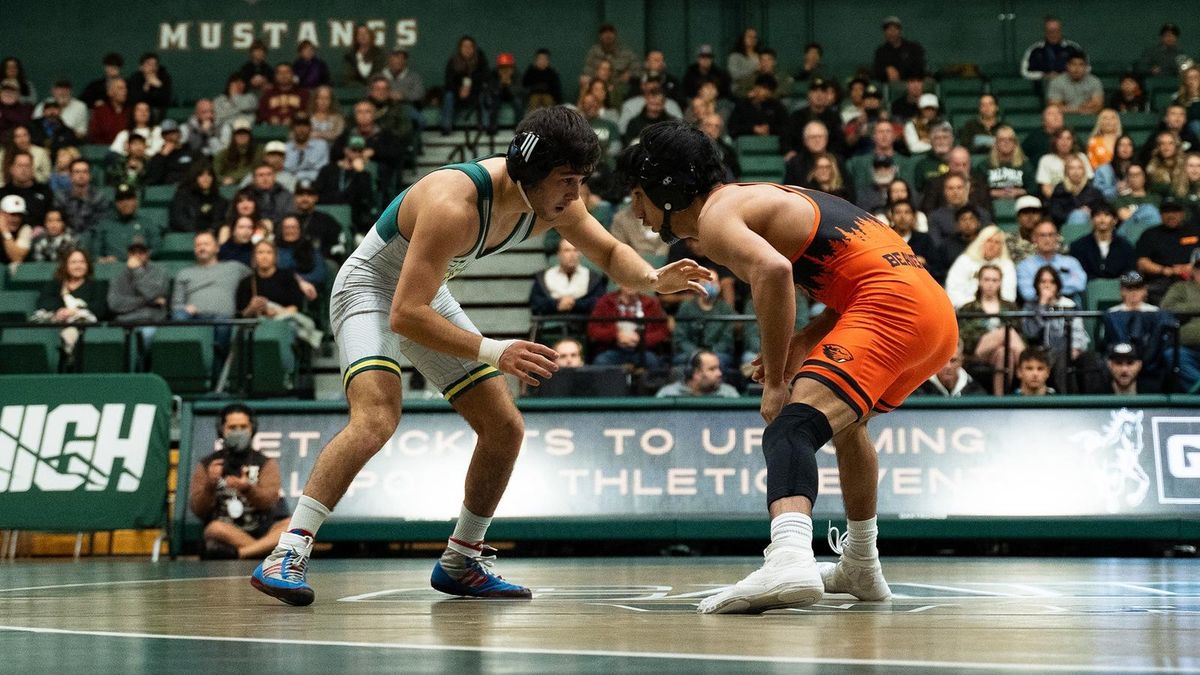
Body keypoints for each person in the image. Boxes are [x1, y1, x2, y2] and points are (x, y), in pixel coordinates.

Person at [250, 107, 708, 606]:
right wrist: (494, 350)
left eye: (581, 180)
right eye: (567, 181)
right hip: (372, 291)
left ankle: (461, 559)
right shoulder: (454, 202)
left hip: (426, 291)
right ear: (526, 171)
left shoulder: (552, 199)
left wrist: (653, 279)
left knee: (504, 426)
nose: (576, 196)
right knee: (377, 417)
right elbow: (404, 315)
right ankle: (287, 551)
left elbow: (612, 254)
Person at [617, 120, 958, 613]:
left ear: (667, 190)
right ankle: (861, 561)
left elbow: (772, 272)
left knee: (788, 429)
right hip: (931, 315)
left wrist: (776, 381)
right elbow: (857, 277)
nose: (637, 213)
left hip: (892, 307)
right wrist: (802, 340)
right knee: (847, 424)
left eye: (638, 197)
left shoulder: (718, 217)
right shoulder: (756, 197)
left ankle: (790, 556)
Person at [189, 404, 291, 560]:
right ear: (222, 430)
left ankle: (244, 553)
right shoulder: (207, 465)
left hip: (263, 530)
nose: (238, 432)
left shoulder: (266, 463)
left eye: (243, 427)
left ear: (252, 429)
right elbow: (198, 510)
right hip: (228, 532)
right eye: (232, 427)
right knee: (214, 529)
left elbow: (269, 501)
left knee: (292, 525)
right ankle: (265, 553)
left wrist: (248, 489)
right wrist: (210, 485)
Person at [957, 263, 1025, 395]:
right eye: (986, 279)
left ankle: (1000, 399)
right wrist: (995, 336)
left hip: (1003, 353)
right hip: (976, 352)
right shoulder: (968, 308)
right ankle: (1026, 365)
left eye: (994, 280)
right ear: (980, 282)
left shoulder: (1010, 307)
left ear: (1000, 283)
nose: (990, 284)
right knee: (1007, 332)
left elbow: (1021, 334)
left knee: (1004, 353)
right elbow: (964, 338)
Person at [1022, 265, 1090, 392]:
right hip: (1037, 351)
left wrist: (1075, 347)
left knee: (1063, 353)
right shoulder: (1030, 305)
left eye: (1052, 282)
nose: (1047, 285)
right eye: (1043, 281)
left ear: (1057, 285)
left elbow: (1078, 330)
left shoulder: (1068, 304)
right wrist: (1042, 305)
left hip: (1064, 351)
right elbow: (1031, 333)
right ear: (1037, 284)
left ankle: (1064, 400)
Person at [588, 282, 670, 369]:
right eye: (626, 281)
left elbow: (662, 331)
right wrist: (616, 335)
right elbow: (593, 329)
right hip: (613, 348)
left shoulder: (651, 303)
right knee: (601, 361)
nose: (630, 285)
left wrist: (640, 339)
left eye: (634, 281)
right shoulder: (605, 301)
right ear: (618, 283)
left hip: (643, 350)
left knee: (652, 361)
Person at [1135, 197, 1200, 304]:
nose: (1171, 215)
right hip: (1161, 281)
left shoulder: (1195, 231)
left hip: (1193, 279)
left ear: (1182, 213)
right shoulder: (1150, 234)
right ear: (1160, 214)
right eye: (1166, 211)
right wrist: (1166, 270)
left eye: (1175, 211)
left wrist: (1192, 268)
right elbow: (1142, 262)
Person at [672, 269, 738, 370]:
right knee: (680, 363)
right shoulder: (686, 307)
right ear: (697, 285)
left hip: (717, 354)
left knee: (722, 361)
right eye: (705, 282)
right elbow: (680, 338)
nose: (709, 285)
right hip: (690, 354)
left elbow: (727, 340)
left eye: (713, 282)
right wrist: (697, 354)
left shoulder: (725, 308)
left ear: (719, 286)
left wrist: (709, 355)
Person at [83, 183, 163, 263]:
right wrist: (103, 260)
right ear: (116, 203)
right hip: (112, 271)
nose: (125, 203)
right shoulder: (104, 226)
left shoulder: (147, 223)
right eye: (121, 199)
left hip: (141, 269)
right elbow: (95, 254)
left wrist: (144, 256)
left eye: (129, 198)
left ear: (135, 201)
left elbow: (156, 248)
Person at [530, 238, 605, 320]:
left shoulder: (593, 278)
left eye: (575, 250)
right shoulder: (544, 277)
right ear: (559, 254)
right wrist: (557, 304)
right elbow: (536, 303)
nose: (572, 255)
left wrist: (574, 304)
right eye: (567, 250)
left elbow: (599, 303)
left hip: (582, 326)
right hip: (551, 324)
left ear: (580, 254)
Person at [1016, 218, 1088, 302]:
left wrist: (1047, 287)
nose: (1047, 239)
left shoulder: (1071, 262)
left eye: (1051, 235)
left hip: (1068, 310)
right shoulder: (1025, 266)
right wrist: (1063, 283)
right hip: (1037, 310)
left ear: (1057, 237)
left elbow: (1080, 284)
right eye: (1042, 235)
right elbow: (1027, 293)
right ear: (1034, 238)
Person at [945, 225, 1017, 307]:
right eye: (989, 241)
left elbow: (1009, 295)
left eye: (997, 242)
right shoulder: (964, 261)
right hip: (966, 312)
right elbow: (953, 291)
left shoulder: (1007, 265)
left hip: (998, 312)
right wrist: (973, 307)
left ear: (1001, 246)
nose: (992, 245)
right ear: (981, 241)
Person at [1067, 201, 1137, 279]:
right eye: (1098, 215)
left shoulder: (1126, 247)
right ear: (1091, 220)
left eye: (1107, 215)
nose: (1102, 219)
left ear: (1115, 220)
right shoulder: (1078, 246)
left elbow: (1130, 272)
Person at [1160, 257, 1200, 392]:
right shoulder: (1181, 287)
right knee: (1172, 355)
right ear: (1193, 270)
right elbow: (1167, 308)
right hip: (1188, 350)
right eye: (1199, 268)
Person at [107, 240, 168, 323]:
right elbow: (114, 304)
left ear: (148, 254)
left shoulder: (159, 272)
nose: (137, 256)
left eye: (141, 252)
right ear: (128, 255)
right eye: (133, 252)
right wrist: (147, 301)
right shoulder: (119, 274)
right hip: (124, 320)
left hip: (151, 320)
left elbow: (153, 293)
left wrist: (137, 270)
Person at [441, 35, 489, 134]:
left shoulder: (480, 61)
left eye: (470, 46)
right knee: (448, 96)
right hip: (458, 94)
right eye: (464, 46)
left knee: (485, 94)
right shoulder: (453, 61)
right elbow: (448, 82)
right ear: (460, 48)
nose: (467, 49)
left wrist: (470, 87)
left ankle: (485, 126)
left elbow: (485, 78)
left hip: (475, 93)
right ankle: (446, 127)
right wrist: (459, 89)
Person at [976, 125, 1038, 203]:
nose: (1006, 142)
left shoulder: (1025, 164)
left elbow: (1034, 188)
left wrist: (1020, 192)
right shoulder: (984, 165)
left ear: (1015, 143)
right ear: (996, 143)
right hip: (991, 205)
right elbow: (977, 190)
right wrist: (993, 193)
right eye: (1002, 139)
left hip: (1019, 203)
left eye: (1010, 139)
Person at [1020, 16, 1084, 89]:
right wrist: (1044, 75)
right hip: (1044, 86)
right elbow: (1024, 72)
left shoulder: (1073, 48)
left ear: (1061, 31)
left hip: (1071, 86)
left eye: (1056, 31)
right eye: (1050, 31)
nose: (1053, 34)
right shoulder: (1035, 50)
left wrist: (1065, 76)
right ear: (1045, 32)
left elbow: (1087, 68)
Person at [54, 158, 111, 236]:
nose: (81, 175)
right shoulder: (61, 197)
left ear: (90, 175)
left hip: (92, 238)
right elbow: (58, 222)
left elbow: (101, 224)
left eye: (85, 172)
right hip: (66, 238)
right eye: (77, 172)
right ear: (70, 176)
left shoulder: (99, 197)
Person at [1048, 155, 1106, 226]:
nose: (1076, 172)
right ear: (1066, 171)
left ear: (1084, 171)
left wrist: (1090, 214)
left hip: (1091, 226)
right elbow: (1055, 214)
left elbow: (1102, 211)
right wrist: (1078, 212)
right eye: (1072, 168)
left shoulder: (1093, 191)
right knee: (1078, 215)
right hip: (1065, 227)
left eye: (1079, 168)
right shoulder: (1060, 189)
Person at [913, 341, 987, 396]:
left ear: (961, 362)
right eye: (943, 360)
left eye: (953, 361)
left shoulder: (975, 391)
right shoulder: (918, 390)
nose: (948, 366)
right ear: (934, 361)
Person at [656, 349, 739, 398]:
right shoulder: (668, 394)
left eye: (718, 368)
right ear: (696, 374)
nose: (719, 373)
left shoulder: (728, 394)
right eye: (712, 369)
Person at [169, 164, 229, 233]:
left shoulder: (218, 199)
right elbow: (178, 219)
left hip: (211, 236)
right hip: (188, 235)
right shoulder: (183, 196)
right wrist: (198, 232)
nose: (206, 179)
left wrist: (211, 230)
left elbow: (221, 220)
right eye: (201, 175)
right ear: (194, 177)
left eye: (209, 175)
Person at [0, 150, 53, 226]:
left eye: (27, 165)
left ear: (32, 169)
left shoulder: (44, 191)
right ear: (11, 168)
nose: (24, 169)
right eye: (20, 165)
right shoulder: (2, 193)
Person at [1036, 128, 1092, 199]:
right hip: (1057, 200)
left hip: (1081, 199)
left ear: (1073, 141)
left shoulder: (1082, 157)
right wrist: (1062, 201)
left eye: (1068, 138)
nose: (1064, 142)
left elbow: (1088, 181)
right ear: (1055, 141)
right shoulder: (1046, 160)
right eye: (1060, 138)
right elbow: (1046, 188)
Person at [872, 16, 926, 82]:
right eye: (888, 30)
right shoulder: (880, 51)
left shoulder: (913, 48)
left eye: (894, 29)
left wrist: (900, 72)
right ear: (884, 32)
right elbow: (876, 72)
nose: (892, 33)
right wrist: (886, 70)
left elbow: (920, 69)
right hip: (889, 88)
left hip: (911, 86)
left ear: (900, 31)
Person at [283, 113, 329, 183]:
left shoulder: (321, 145)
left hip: (315, 183)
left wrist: (298, 175)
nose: (301, 129)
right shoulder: (285, 148)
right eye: (298, 125)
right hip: (290, 184)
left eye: (305, 125)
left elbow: (322, 170)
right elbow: (286, 169)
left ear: (310, 128)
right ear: (292, 128)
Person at [126, 52, 172, 120]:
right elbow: (134, 100)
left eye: (155, 64)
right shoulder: (135, 78)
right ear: (141, 67)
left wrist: (159, 86)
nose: (152, 68)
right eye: (149, 64)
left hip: (157, 113)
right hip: (138, 113)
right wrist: (146, 87)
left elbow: (166, 100)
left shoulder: (164, 77)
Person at [215, 120, 262, 186]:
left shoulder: (258, 151)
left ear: (250, 135)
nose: (242, 136)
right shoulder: (223, 154)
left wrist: (235, 178)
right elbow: (216, 173)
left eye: (245, 133)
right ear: (233, 136)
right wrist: (223, 179)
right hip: (228, 185)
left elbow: (257, 169)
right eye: (238, 133)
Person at [0, 194, 33, 264]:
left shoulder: (25, 229)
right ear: (1, 214)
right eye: (12, 215)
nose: (16, 219)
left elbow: (16, 258)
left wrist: (5, 231)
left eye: (19, 215)